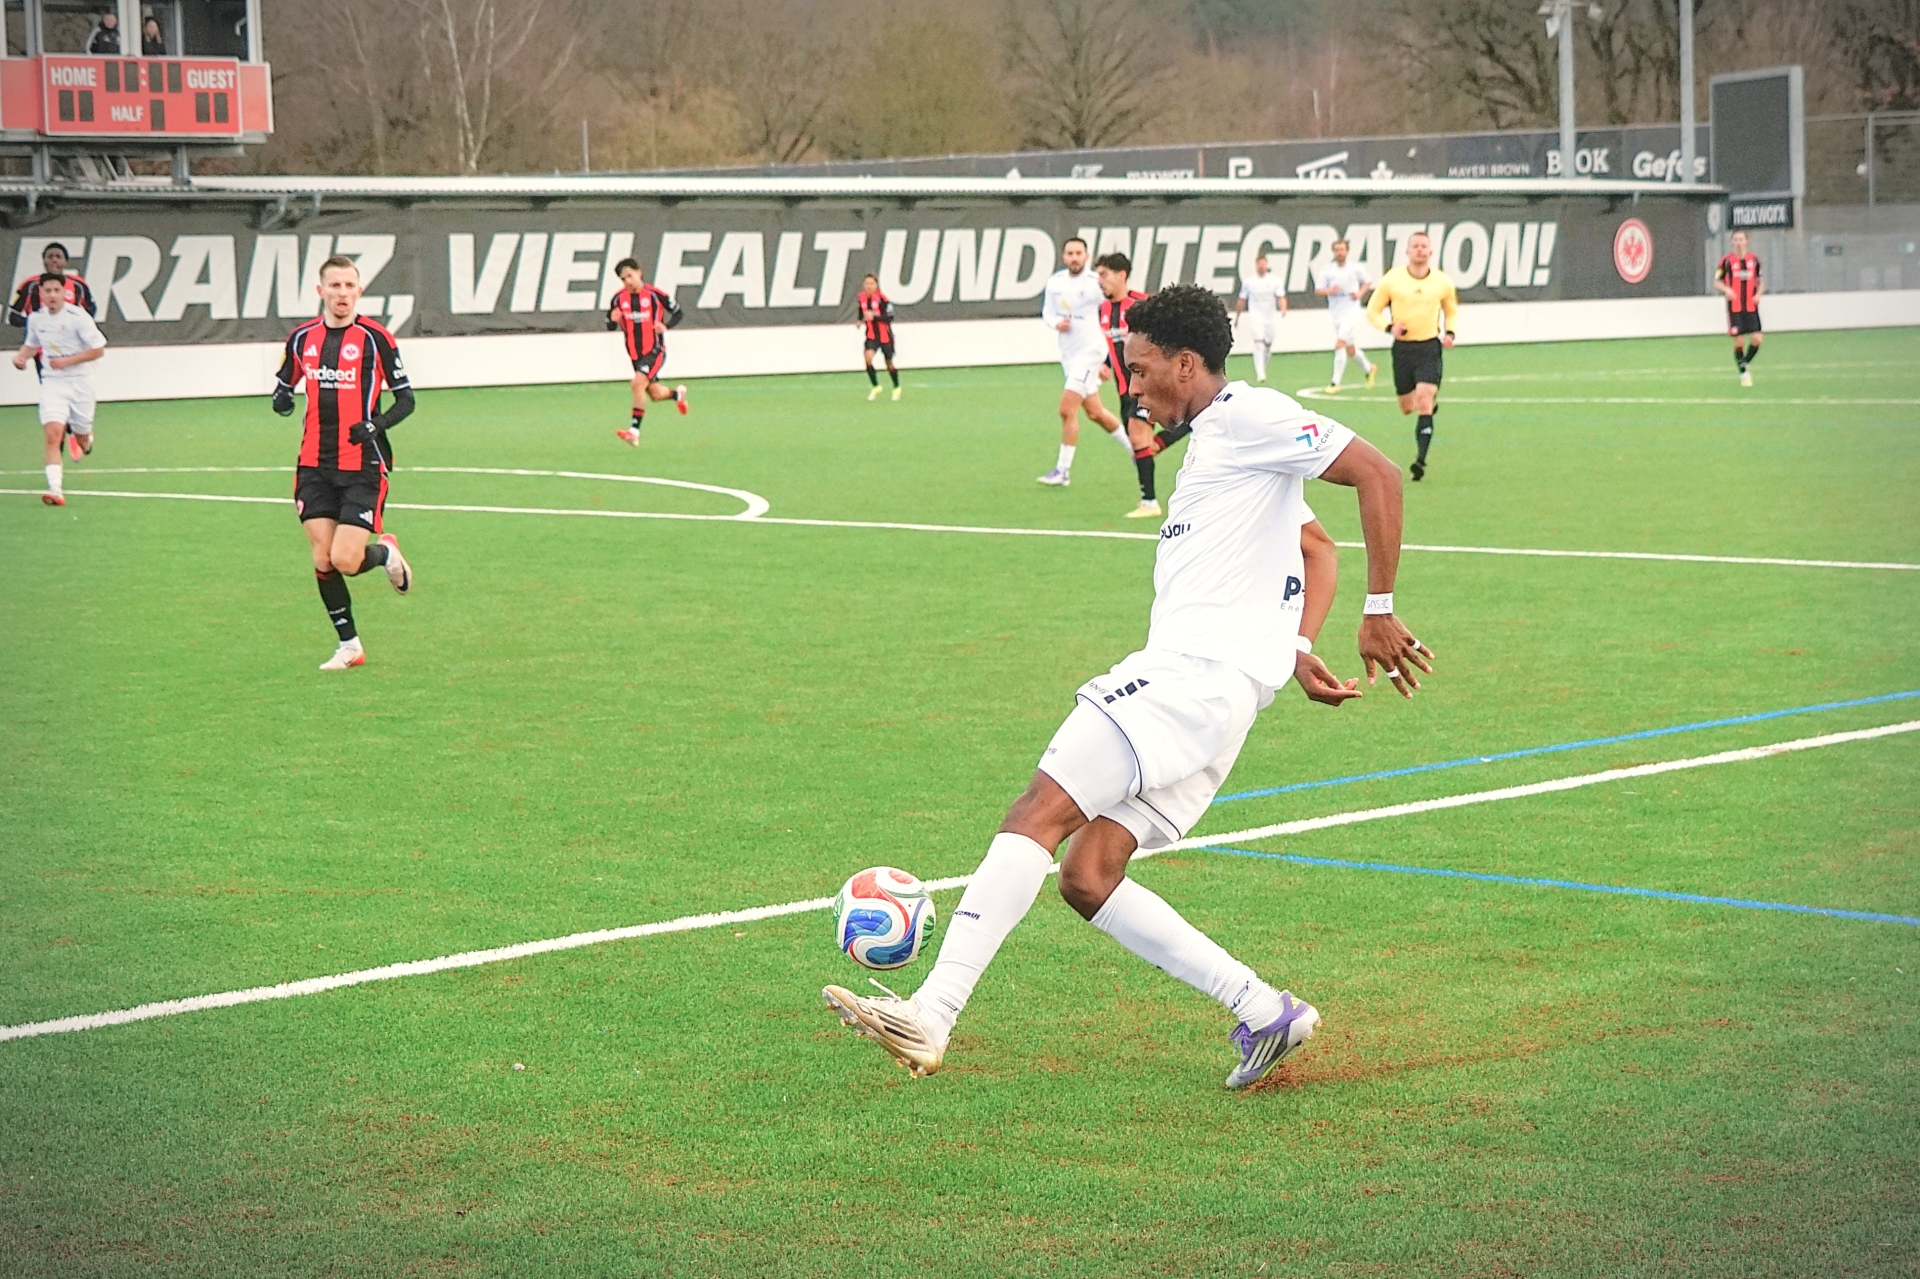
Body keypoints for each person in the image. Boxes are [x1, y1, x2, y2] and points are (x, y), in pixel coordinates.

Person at [823, 285, 1434, 1089]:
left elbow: (1379, 473)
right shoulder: (1222, 446)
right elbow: (1315, 549)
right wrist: (1293, 646)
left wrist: (1379, 609)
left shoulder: (1248, 416)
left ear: (1186, 364)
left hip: (1186, 678)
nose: (1133, 387)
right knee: (1088, 875)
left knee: (1037, 811)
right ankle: (1263, 1009)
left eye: (1142, 371)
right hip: (1221, 703)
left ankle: (932, 1011)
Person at [271, 255, 415, 671]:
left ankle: (385, 554)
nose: (342, 293)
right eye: (335, 286)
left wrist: (376, 424)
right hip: (314, 464)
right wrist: (281, 398)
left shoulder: (376, 338)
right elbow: (285, 383)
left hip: (362, 466)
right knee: (323, 557)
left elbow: (407, 399)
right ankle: (349, 645)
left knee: (346, 561)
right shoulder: (302, 338)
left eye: (349, 286)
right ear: (321, 291)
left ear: (359, 291)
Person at [1036, 237, 1131, 487]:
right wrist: (1056, 323)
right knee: (1095, 413)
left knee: (1066, 409)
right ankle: (1137, 451)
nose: (1075, 258)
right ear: (1063, 256)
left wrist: (1106, 360)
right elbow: (1047, 312)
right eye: (1070, 253)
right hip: (1069, 354)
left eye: (1079, 253)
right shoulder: (1055, 282)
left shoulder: (1096, 284)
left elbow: (1112, 311)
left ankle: (1062, 471)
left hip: (1091, 352)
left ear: (1086, 256)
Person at [1365, 230, 1457, 483]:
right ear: (1407, 251)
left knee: (1424, 399)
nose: (1419, 250)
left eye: (1423, 246)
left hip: (1429, 348)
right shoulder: (1392, 280)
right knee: (1408, 407)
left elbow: (1451, 310)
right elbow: (1372, 311)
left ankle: (1420, 461)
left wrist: (1450, 332)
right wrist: (1389, 327)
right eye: (1415, 246)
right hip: (1403, 350)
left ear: (1430, 252)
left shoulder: (1442, 282)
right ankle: (1428, 407)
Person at [13, 273, 106, 507]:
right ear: (41, 293)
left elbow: (98, 350)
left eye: (57, 290)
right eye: (48, 291)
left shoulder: (78, 317)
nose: (52, 295)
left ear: (64, 292)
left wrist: (67, 361)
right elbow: (32, 344)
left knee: (82, 437)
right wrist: (21, 357)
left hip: (80, 382)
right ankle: (55, 490)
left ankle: (85, 439)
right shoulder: (36, 319)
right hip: (53, 383)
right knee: (53, 434)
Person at [1094, 252, 1160, 519]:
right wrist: (1106, 363)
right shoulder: (1103, 310)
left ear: (1122, 275)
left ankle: (1150, 502)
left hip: (1148, 384)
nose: (1100, 280)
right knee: (1140, 443)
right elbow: (1116, 345)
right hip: (1124, 389)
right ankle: (1149, 498)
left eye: (1104, 274)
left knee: (1136, 434)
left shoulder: (1142, 304)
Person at [606, 257, 687, 445]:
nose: (627, 281)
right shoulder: (618, 299)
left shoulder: (655, 295)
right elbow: (610, 325)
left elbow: (678, 312)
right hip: (635, 354)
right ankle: (677, 395)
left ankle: (634, 431)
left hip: (654, 350)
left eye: (630, 276)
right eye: (623, 279)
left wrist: (666, 326)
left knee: (637, 384)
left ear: (639, 272)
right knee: (655, 394)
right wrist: (612, 320)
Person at [1315, 238, 1376, 393]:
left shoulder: (1355, 268)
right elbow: (1318, 290)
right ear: (1333, 252)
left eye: (1342, 250)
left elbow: (1367, 281)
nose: (1339, 253)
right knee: (1351, 350)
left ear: (1347, 251)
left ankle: (1335, 383)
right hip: (1336, 313)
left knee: (1339, 344)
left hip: (1352, 311)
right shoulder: (1328, 270)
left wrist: (1360, 293)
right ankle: (1369, 368)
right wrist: (1329, 291)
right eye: (1337, 250)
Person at [9, 242, 97, 329]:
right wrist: (35, 323)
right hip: (39, 336)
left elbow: (91, 308)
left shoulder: (78, 284)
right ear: (44, 260)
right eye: (50, 257)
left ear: (65, 261)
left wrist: (79, 323)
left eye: (58, 257)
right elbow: (14, 316)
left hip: (70, 336)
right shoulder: (29, 285)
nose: (54, 260)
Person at [1715, 230, 1764, 386]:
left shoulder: (1754, 260)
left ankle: (1744, 362)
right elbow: (1717, 282)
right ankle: (1743, 374)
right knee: (1739, 341)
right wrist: (1727, 290)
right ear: (1732, 242)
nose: (1738, 242)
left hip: (1751, 306)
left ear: (1746, 241)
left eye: (1741, 239)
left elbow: (1760, 281)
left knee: (1757, 339)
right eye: (1735, 239)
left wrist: (1758, 295)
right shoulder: (1726, 261)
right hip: (1735, 307)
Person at [1233, 252, 1288, 383]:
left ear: (1267, 265)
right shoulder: (1249, 282)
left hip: (1269, 316)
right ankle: (1260, 373)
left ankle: (1262, 366)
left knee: (1268, 344)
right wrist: (1237, 317)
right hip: (1255, 316)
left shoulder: (1274, 281)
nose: (1261, 266)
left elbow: (1280, 297)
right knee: (1259, 342)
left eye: (1263, 264)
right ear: (1256, 265)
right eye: (1259, 264)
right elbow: (1242, 300)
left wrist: (1283, 308)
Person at [855, 273, 900, 401]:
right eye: (866, 284)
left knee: (889, 363)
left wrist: (875, 317)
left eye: (871, 284)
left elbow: (890, 316)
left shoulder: (882, 299)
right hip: (871, 336)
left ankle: (896, 387)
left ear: (876, 285)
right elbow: (861, 311)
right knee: (868, 358)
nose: (869, 286)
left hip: (885, 336)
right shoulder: (861, 298)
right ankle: (876, 386)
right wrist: (859, 320)